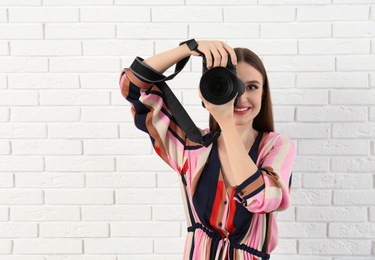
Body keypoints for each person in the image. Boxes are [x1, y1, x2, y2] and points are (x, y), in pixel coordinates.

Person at [119, 39, 295, 260]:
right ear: (209, 90)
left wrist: (226, 122)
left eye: (251, 87)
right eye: (231, 85)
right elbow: (133, 86)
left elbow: (262, 199)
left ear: (263, 93)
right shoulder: (191, 146)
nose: (240, 97)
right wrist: (189, 48)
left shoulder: (276, 146)